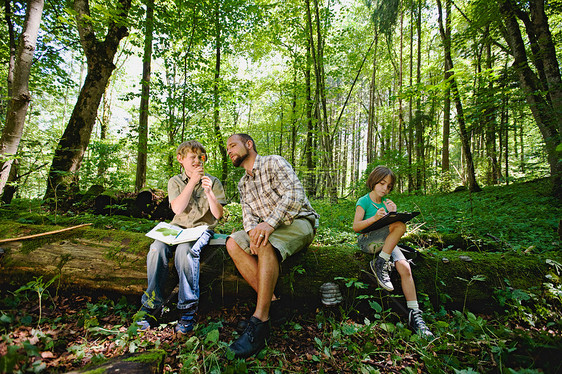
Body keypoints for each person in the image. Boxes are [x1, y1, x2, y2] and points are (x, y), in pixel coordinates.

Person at [225, 133, 319, 358]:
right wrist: (251, 234)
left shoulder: (273, 162)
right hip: (269, 229)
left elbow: (295, 194)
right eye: (227, 149)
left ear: (249, 144)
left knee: (266, 242)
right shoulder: (242, 184)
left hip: (299, 221)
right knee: (232, 243)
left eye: (233, 146)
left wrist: (268, 225)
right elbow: (248, 217)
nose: (229, 151)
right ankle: (274, 305)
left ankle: (260, 320)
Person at [137, 140, 227, 334]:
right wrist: (193, 182)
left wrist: (209, 191)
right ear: (181, 159)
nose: (197, 161)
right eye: (192, 157)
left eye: (200, 157)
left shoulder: (214, 181)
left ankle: (187, 308)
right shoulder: (175, 182)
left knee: (186, 251)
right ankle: (151, 305)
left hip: (201, 229)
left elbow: (218, 215)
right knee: (157, 248)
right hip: (176, 228)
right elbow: (177, 208)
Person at [353, 166, 433, 337]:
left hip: (386, 246)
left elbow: (391, 230)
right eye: (382, 183)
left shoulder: (386, 204)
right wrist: (374, 218)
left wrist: (393, 214)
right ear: (373, 181)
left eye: (388, 186)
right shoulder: (364, 201)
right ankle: (380, 262)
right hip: (367, 242)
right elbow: (356, 227)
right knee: (400, 226)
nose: (385, 188)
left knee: (405, 267)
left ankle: (415, 314)